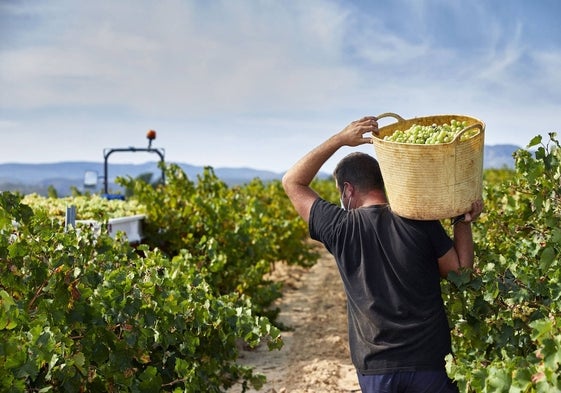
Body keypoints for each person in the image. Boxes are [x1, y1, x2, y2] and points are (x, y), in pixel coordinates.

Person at [281, 116, 483, 393]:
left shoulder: (339, 227)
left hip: (376, 368)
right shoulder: (419, 219)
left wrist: (340, 138)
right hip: (429, 363)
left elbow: (292, 182)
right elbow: (461, 273)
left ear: (348, 190)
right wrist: (462, 219)